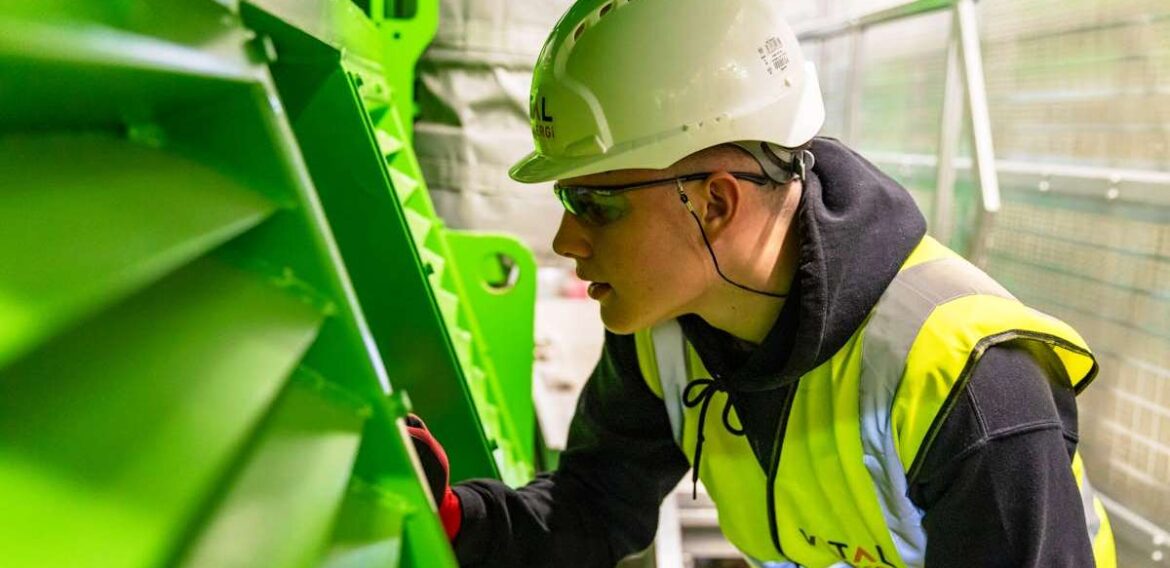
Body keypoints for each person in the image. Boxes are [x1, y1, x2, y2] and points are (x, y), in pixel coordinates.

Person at [405, 0, 1117, 565]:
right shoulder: (669, 332)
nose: (566, 241)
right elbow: (591, 509)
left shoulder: (967, 383)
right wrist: (452, 519)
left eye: (595, 204)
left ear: (716, 202)